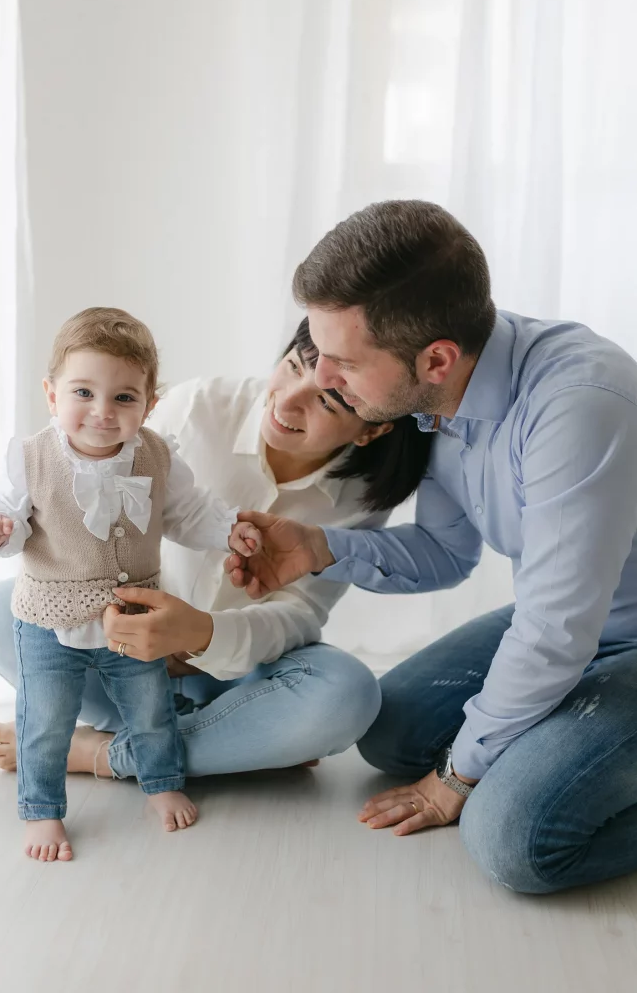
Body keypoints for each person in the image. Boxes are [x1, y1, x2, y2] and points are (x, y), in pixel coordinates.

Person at [227, 199, 637, 895]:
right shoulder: (441, 394)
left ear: (436, 359)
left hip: (588, 626)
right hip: (577, 623)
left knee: (512, 840)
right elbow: (449, 552)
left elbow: (554, 628)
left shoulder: (577, 406)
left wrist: (458, 777)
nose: (320, 380)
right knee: (391, 733)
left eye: (340, 362)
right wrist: (321, 548)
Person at [0, 316, 433, 834]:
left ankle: (100, 752)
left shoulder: (365, 493)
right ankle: (228, 745)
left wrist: (201, 634)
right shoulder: (195, 408)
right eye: (291, 367)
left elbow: (301, 612)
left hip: (245, 671)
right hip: (123, 644)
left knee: (347, 695)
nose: (286, 403)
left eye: (327, 402)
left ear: (373, 425)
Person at [0, 307, 265, 862]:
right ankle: (42, 809)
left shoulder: (157, 454)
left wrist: (228, 530)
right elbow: (3, 515)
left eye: (124, 397)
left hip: (131, 618)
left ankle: (161, 782)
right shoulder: (30, 458)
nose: (102, 411)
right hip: (48, 620)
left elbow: (188, 512)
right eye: (83, 392)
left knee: (151, 708)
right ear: (52, 395)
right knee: (45, 719)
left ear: (149, 405)